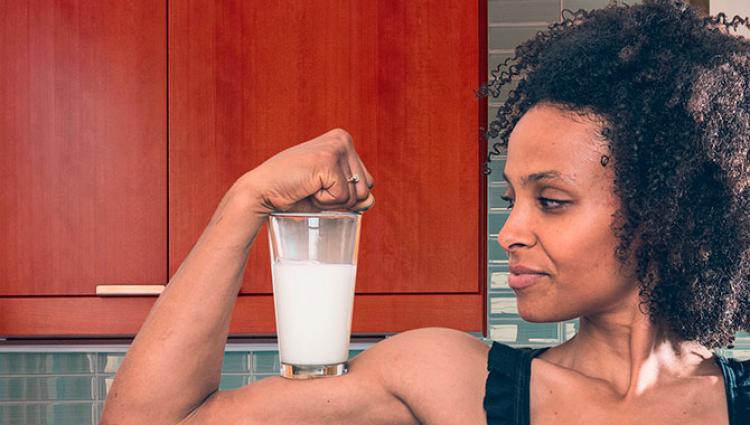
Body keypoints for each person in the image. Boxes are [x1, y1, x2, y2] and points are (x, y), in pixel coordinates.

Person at [100, 1, 750, 424]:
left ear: (671, 211)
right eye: (511, 199)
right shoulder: (449, 381)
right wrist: (246, 202)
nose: (511, 231)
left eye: (549, 201)